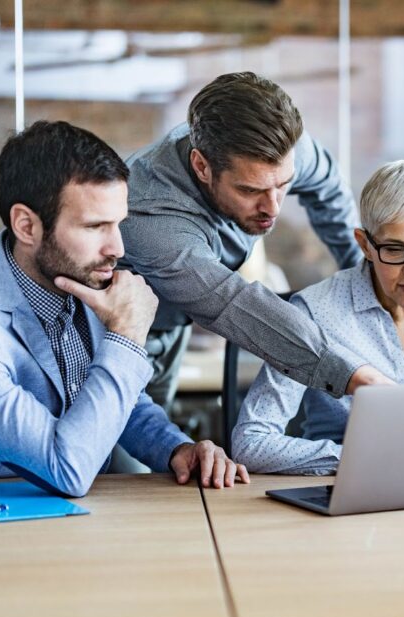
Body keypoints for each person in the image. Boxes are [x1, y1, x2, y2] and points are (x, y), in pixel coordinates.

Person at [0, 121, 248, 496]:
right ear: (27, 226)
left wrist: (177, 449)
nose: (117, 248)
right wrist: (127, 336)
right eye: (95, 227)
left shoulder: (80, 277)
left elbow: (117, 402)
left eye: (118, 224)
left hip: (61, 518)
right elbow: (65, 468)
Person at [121, 71, 389, 415]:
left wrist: (368, 286)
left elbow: (329, 190)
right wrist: (351, 374)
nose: (273, 208)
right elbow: (233, 303)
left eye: (283, 185)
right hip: (110, 343)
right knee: (125, 462)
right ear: (201, 166)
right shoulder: (149, 213)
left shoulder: (281, 151)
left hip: (174, 327)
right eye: (250, 191)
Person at [232, 160, 404, 474]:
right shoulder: (314, 312)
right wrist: (359, 459)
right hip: (344, 488)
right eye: (394, 249)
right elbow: (251, 443)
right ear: (365, 244)